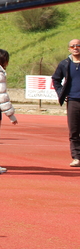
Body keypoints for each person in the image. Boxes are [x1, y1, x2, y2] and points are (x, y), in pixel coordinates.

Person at [51, 38, 80, 167]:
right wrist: (61, 92)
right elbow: (56, 79)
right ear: (69, 49)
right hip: (73, 101)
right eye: (72, 46)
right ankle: (76, 157)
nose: (75, 48)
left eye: (78, 45)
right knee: (74, 131)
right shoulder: (65, 64)